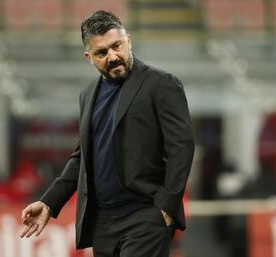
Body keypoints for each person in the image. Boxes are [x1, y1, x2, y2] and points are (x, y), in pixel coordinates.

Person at [20, 10, 195, 257]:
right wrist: (50, 202)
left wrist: (166, 207)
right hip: (103, 223)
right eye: (101, 53)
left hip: (145, 216)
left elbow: (182, 146)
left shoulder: (161, 83)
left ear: (128, 41)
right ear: (88, 57)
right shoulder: (88, 95)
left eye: (117, 46)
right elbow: (82, 157)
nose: (113, 56)